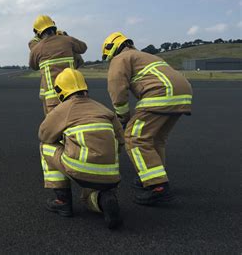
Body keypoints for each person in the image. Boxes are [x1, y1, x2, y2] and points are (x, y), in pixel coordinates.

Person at [102, 32, 192, 205]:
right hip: (183, 94)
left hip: (161, 94)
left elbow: (117, 88)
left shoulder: (121, 58)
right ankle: (154, 177)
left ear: (111, 49)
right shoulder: (147, 56)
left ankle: (158, 186)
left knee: (134, 139)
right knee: (156, 139)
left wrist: (123, 116)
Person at [38, 68, 124, 229]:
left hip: (80, 167)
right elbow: (121, 141)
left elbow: (44, 135)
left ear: (60, 90)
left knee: (46, 146)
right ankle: (102, 200)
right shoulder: (104, 109)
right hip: (111, 173)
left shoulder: (63, 109)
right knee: (88, 198)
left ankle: (62, 201)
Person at [29, 15, 87, 115]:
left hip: (53, 99)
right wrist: (65, 36)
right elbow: (83, 48)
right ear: (54, 26)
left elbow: (34, 66)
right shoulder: (67, 40)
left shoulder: (37, 48)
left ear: (37, 32)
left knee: (54, 126)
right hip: (73, 93)